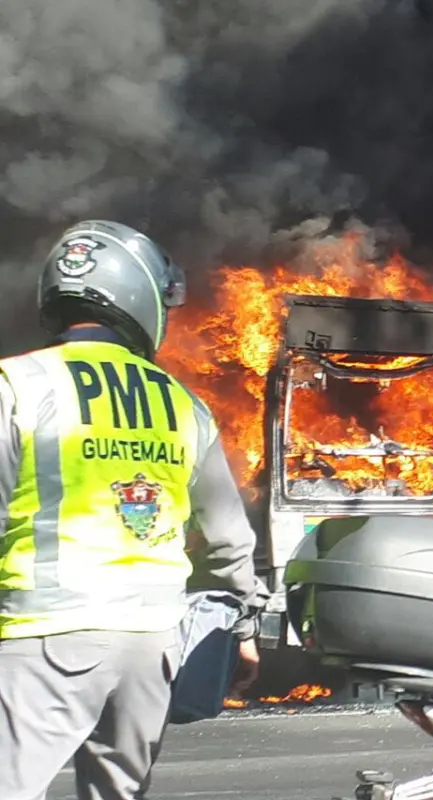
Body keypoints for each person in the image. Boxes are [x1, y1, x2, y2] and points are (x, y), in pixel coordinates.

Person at [0, 220, 266, 800]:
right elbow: (228, 540)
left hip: (44, 635)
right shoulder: (183, 405)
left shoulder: (16, 384)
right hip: (151, 646)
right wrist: (245, 625)